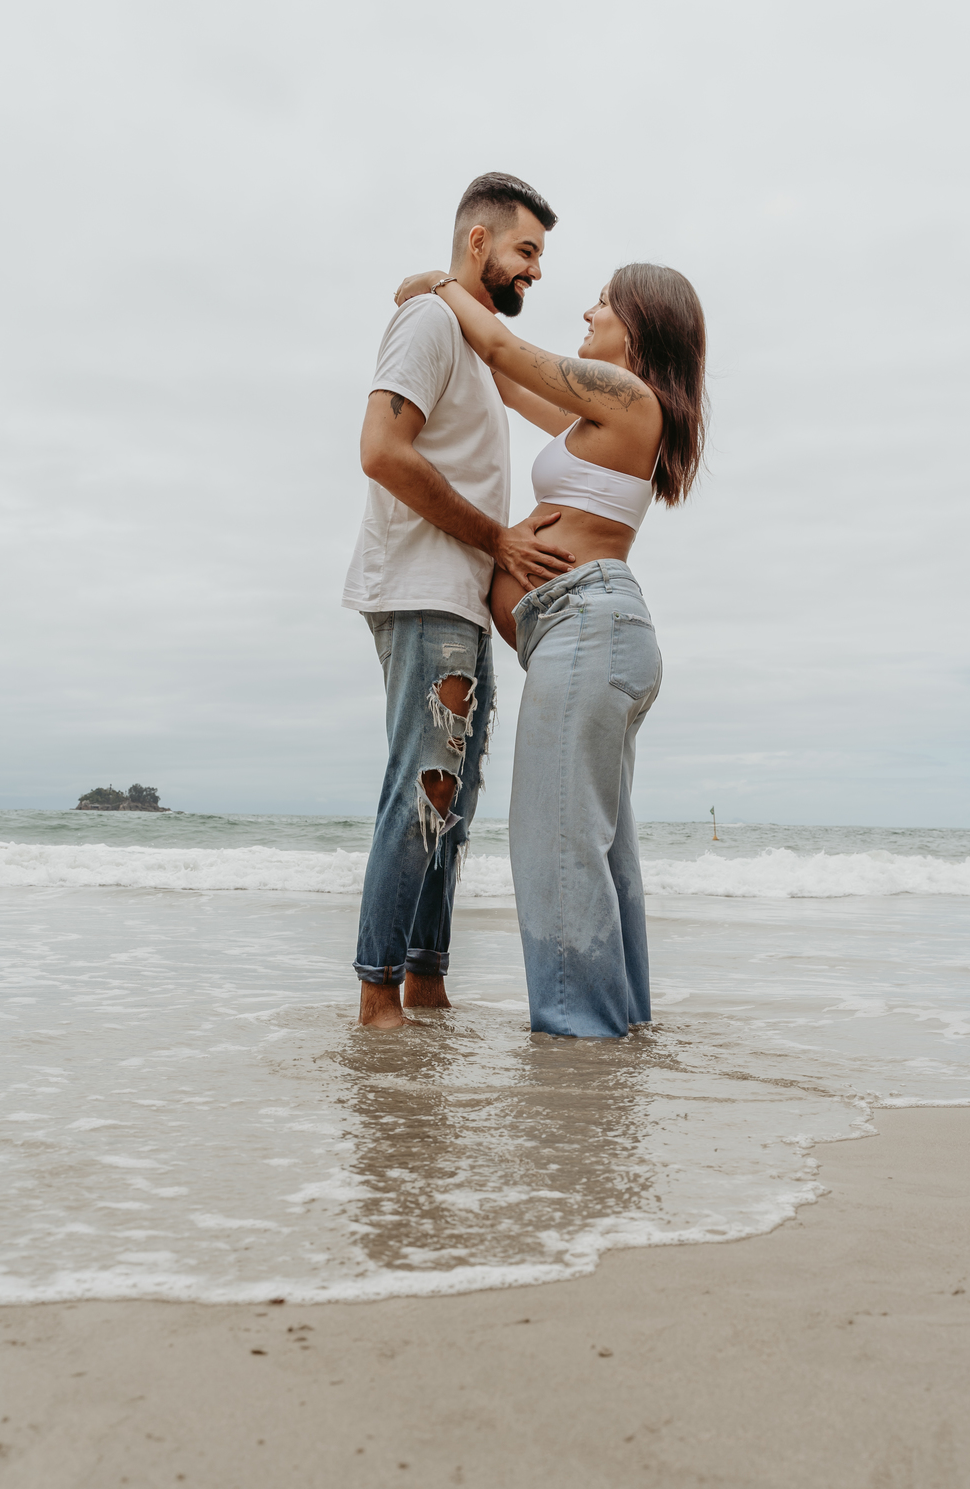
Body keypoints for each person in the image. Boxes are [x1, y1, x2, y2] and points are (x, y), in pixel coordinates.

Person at [392, 260, 708, 1038]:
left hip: (587, 631)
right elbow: (502, 381)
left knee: (556, 852)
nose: (589, 313)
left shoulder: (629, 397)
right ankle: (616, 1035)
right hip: (595, 636)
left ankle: (577, 1044)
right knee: (596, 853)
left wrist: (440, 285)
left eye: (604, 303)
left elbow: (504, 350)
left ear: (640, 324)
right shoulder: (601, 415)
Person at [344, 173, 574, 1030]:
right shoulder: (429, 323)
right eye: (527, 250)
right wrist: (498, 539)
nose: (537, 270)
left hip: (464, 598)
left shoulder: (472, 341)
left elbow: (563, 410)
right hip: (424, 587)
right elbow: (381, 450)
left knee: (454, 800)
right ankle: (377, 999)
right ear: (479, 242)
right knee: (425, 788)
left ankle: (424, 984)